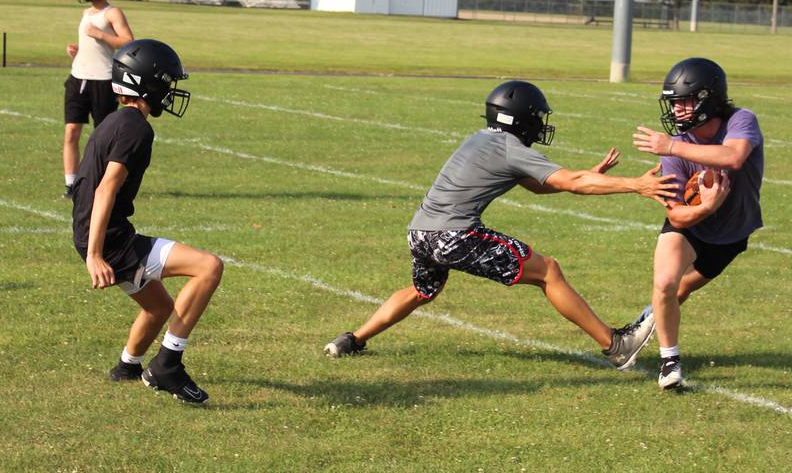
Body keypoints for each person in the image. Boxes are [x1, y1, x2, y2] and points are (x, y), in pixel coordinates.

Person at [324, 80, 676, 369]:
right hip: (454, 234)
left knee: (421, 290)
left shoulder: (479, 139)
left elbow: (542, 186)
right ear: (520, 119)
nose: (540, 124)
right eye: (536, 116)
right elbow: (569, 181)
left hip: (420, 232)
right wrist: (636, 184)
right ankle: (616, 345)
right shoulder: (509, 146)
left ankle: (352, 340)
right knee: (548, 271)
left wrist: (589, 177)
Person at [71, 39, 223, 404]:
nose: (169, 91)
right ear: (146, 84)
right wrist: (95, 254)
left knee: (159, 308)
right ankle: (168, 365)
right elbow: (106, 188)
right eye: (165, 83)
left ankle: (128, 366)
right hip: (109, 238)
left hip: (98, 232)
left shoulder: (113, 120)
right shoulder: (137, 128)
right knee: (209, 267)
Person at [632, 57, 763, 390]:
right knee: (664, 282)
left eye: (685, 100)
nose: (677, 110)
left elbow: (733, 156)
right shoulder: (674, 146)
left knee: (681, 290)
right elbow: (676, 215)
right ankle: (669, 361)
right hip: (690, 226)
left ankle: (644, 323)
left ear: (710, 98)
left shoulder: (740, 120)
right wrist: (705, 208)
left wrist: (671, 145)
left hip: (733, 233)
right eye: (673, 102)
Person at [63, 0, 135, 198]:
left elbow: (128, 42)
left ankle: (101, 181)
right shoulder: (86, 13)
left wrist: (100, 35)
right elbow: (91, 45)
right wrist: (77, 51)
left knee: (102, 136)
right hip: (78, 77)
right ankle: (71, 184)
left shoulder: (112, 12)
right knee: (71, 131)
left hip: (103, 81)